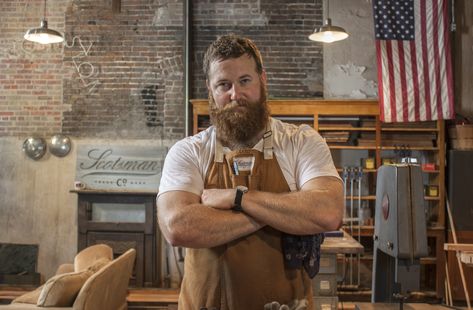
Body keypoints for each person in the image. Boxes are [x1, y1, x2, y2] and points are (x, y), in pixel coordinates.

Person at [157, 34, 343, 310]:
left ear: (262, 80)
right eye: (224, 85)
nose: (236, 95)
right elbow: (177, 226)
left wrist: (238, 198)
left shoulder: (301, 142)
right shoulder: (188, 152)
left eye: (245, 81)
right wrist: (279, 213)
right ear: (210, 89)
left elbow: (328, 211)